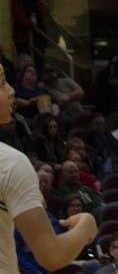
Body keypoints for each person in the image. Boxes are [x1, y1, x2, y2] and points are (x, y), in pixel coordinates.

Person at [0, 63, 99, 271]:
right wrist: (85, 226)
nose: (11, 90)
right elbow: (51, 255)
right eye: (1, 83)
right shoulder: (10, 163)